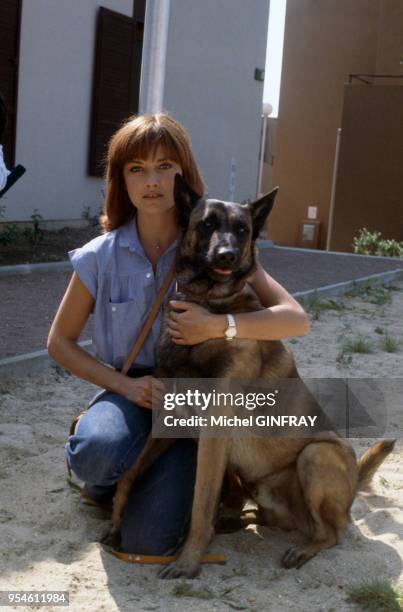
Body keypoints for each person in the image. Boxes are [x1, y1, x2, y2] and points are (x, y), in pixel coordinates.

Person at [47, 112, 310, 555]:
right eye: (137, 169)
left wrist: (219, 326)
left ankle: (156, 482)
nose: (152, 181)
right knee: (97, 451)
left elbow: (295, 319)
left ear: (184, 176)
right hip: (134, 391)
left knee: (149, 539)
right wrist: (126, 386)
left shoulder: (214, 242)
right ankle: (108, 476)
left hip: (195, 404)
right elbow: (59, 343)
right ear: (121, 180)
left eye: (165, 167)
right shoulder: (100, 256)